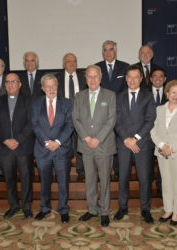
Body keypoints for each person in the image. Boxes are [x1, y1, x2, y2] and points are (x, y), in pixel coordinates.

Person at [73, 65, 116, 227]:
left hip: (103, 145)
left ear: (101, 78)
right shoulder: (78, 96)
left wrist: (97, 138)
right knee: (90, 180)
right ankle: (92, 209)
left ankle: (104, 211)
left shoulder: (110, 96)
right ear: (85, 79)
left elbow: (111, 120)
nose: (92, 80)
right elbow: (75, 119)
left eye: (95, 76)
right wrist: (86, 137)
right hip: (86, 146)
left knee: (104, 180)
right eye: (89, 77)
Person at [114, 64, 156, 224]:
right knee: (122, 177)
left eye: (135, 77)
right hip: (123, 144)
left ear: (141, 79)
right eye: (129, 77)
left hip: (142, 143)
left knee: (144, 178)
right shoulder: (119, 97)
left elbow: (150, 120)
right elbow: (116, 121)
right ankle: (122, 207)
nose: (132, 80)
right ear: (126, 79)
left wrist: (136, 138)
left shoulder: (148, 96)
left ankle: (145, 209)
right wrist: (126, 139)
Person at [31, 74, 74, 223]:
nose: (51, 89)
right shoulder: (36, 104)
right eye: (47, 86)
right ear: (43, 88)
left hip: (62, 149)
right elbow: (35, 125)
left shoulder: (67, 103)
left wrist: (57, 142)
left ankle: (63, 209)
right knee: (45, 182)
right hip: (42, 150)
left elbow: (70, 125)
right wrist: (46, 142)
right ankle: (45, 208)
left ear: (57, 87)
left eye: (53, 86)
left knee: (63, 182)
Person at [150, 80, 177, 226]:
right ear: (167, 93)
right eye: (173, 92)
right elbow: (153, 131)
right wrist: (162, 146)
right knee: (166, 183)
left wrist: (171, 148)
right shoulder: (159, 109)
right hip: (162, 152)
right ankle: (168, 209)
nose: (176, 95)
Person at [0, 73, 34, 219]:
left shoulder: (28, 100)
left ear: (20, 84)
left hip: (23, 146)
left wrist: (18, 140)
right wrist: (5, 140)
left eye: (14, 81)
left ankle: (27, 206)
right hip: (5, 148)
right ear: (5, 85)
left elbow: (31, 123)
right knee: (9, 179)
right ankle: (14, 206)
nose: (10, 84)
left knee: (26, 178)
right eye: (8, 82)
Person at [95, 40, 129, 177]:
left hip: (119, 110)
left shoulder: (125, 67)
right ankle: (103, 171)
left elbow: (128, 89)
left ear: (116, 51)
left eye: (110, 49)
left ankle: (117, 170)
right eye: (105, 50)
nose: (107, 52)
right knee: (103, 139)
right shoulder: (96, 67)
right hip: (101, 112)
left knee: (117, 140)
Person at [55, 53, 87, 180]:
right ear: (63, 64)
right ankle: (65, 169)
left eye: (74, 61)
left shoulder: (84, 77)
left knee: (80, 143)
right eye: (68, 61)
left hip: (81, 116)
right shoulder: (57, 78)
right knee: (65, 144)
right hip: (63, 117)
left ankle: (80, 169)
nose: (72, 63)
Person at [150, 67, 168, 196]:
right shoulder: (144, 93)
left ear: (165, 79)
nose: (158, 78)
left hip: (165, 135)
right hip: (147, 134)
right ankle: (148, 188)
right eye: (155, 76)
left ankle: (162, 187)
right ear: (150, 79)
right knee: (148, 164)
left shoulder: (170, 93)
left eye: (160, 76)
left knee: (163, 165)